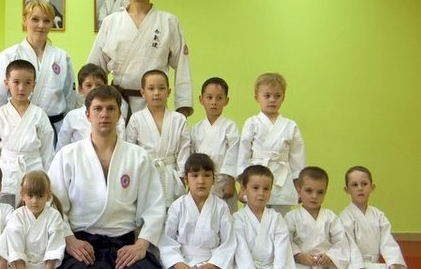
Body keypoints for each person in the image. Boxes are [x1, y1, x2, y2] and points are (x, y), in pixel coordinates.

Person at [48, 85, 166, 269]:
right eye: (98, 109)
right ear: (87, 115)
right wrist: (70, 241)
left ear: (119, 114)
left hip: (123, 244)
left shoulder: (138, 156)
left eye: (111, 109)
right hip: (84, 244)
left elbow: (154, 205)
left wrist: (141, 245)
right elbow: (54, 206)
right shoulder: (67, 155)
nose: (104, 115)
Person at [88, 0, 193, 116]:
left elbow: (182, 65)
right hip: (118, 104)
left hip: (155, 103)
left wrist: (183, 106)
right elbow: (94, 69)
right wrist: (91, 104)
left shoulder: (168, 21)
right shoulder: (111, 22)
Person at [0, 0, 75, 136]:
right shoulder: (9, 55)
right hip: (16, 126)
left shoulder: (62, 57)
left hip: (54, 129)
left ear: (52, 23)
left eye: (46, 20)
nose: (41, 25)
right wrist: (7, 121)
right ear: (24, 21)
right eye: (35, 19)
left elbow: (70, 98)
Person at [159, 154, 236, 269]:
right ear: (186, 179)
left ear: (214, 179)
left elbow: (228, 242)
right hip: (183, 260)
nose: (201, 181)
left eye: (206, 175)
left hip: (208, 262)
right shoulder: (177, 206)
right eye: (195, 175)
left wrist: (215, 264)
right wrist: (177, 263)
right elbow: (167, 240)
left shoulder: (221, 207)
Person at [0, 59, 54, 206]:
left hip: (34, 170)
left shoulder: (39, 115)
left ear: (34, 85)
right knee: (6, 211)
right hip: (7, 171)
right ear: (6, 83)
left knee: (33, 209)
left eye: (27, 83)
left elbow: (48, 153)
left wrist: (48, 181)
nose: (21, 88)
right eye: (16, 82)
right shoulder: (0, 114)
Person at [285, 167, 361, 269]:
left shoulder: (330, 217)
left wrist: (330, 257)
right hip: (301, 266)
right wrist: (298, 255)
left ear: (325, 192)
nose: (314, 196)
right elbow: (286, 241)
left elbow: (341, 242)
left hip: (324, 267)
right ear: (299, 190)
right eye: (309, 191)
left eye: (320, 192)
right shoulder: (291, 217)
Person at [236, 72, 306, 216]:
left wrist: (298, 185)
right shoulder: (252, 123)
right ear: (257, 98)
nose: (272, 100)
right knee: (253, 215)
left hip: (282, 176)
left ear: (283, 98)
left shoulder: (290, 125)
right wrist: (243, 184)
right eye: (267, 96)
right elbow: (244, 152)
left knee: (282, 217)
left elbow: (297, 156)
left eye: (277, 96)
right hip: (256, 173)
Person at [0, 171, 65, 269]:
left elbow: (55, 247)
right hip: (21, 266)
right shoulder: (17, 216)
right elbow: (15, 247)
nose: (34, 201)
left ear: (48, 196)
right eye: (30, 196)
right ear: (22, 195)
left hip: (45, 266)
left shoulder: (54, 216)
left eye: (40, 196)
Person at [231, 165, 296, 269]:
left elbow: (282, 247)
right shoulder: (238, 218)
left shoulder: (276, 218)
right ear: (244, 189)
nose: (261, 193)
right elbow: (240, 248)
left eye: (266, 189)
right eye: (255, 188)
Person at [125, 70, 190, 207]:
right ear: (143, 93)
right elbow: (130, 150)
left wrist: (182, 176)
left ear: (168, 91)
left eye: (161, 88)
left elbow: (184, 150)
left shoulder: (179, 119)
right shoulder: (136, 119)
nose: (156, 93)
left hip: (172, 175)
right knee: (147, 212)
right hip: (145, 174)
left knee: (173, 213)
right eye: (151, 88)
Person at [340, 166, 407, 269]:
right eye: (354, 185)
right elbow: (349, 247)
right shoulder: (345, 217)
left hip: (375, 266)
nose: (360, 188)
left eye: (364, 184)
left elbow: (388, 242)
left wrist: (392, 268)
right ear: (347, 190)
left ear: (372, 187)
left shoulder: (378, 215)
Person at [190, 77, 240, 212]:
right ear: (201, 99)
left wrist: (230, 181)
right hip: (201, 180)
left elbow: (234, 154)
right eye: (209, 97)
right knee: (202, 215)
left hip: (223, 183)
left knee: (226, 216)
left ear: (226, 101)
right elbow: (192, 155)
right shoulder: (196, 128)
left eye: (219, 98)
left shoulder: (230, 126)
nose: (214, 102)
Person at [56, 64, 126, 151]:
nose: (94, 89)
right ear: (80, 89)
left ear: (106, 87)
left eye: (98, 85)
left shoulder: (114, 115)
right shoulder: (72, 117)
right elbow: (61, 148)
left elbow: (122, 143)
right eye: (89, 85)